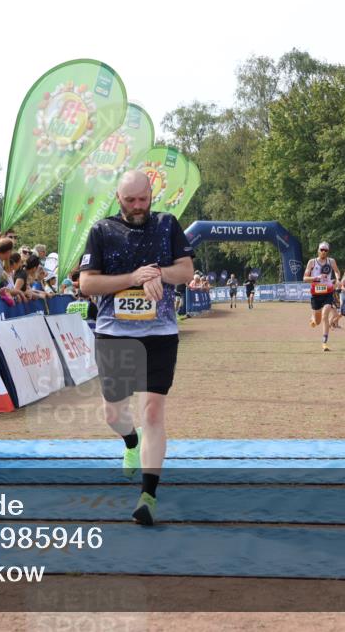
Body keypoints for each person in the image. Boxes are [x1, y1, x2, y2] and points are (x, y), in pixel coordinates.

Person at [79, 170, 194, 526]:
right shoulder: (102, 231)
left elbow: (187, 271)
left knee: (154, 413)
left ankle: (148, 495)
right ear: (119, 198)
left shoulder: (167, 224)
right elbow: (87, 284)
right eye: (130, 201)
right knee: (114, 415)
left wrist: (158, 274)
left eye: (143, 199)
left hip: (159, 334)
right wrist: (133, 279)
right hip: (114, 334)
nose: (137, 206)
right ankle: (131, 443)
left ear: (151, 195)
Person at [303, 241, 341, 352]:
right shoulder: (312, 262)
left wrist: (338, 279)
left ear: (328, 251)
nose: (323, 252)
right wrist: (316, 278)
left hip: (328, 292)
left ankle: (324, 342)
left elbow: (337, 271)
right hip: (316, 293)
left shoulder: (331, 261)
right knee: (318, 321)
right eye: (322, 250)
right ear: (318, 250)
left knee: (325, 315)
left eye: (326, 250)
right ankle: (313, 317)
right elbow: (305, 278)